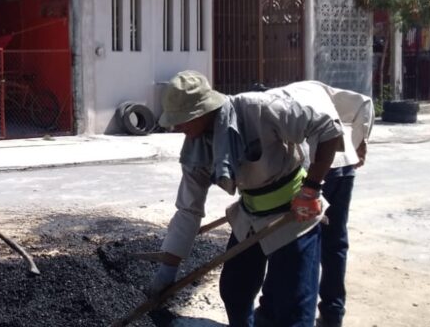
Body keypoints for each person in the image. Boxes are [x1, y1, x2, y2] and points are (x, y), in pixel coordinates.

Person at [147, 71, 348, 327]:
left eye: (183, 121)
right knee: (234, 289)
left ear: (202, 111)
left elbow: (326, 128)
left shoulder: (258, 109)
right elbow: (188, 210)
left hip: (294, 214)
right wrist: (167, 273)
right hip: (250, 214)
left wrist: (311, 189)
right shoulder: (195, 148)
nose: (177, 128)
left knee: (292, 305)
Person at [274, 82, 373, 327]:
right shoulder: (317, 88)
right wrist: (360, 141)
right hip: (344, 164)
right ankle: (332, 314)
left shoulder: (277, 104)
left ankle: (298, 314)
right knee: (335, 241)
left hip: (316, 170)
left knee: (306, 242)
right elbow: (365, 103)